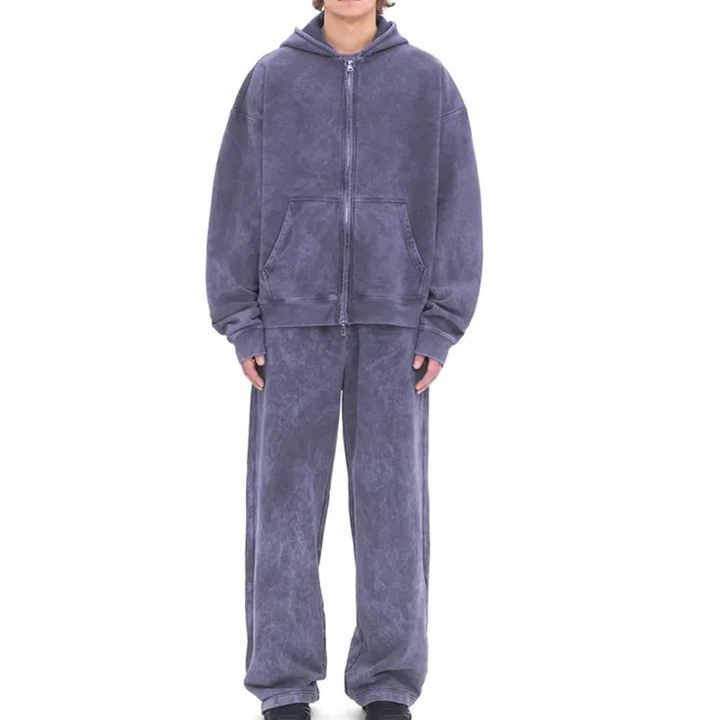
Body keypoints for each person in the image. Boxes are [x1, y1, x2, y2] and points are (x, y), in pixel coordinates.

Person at [205, 1, 482, 718]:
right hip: (289, 325)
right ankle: (284, 683)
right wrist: (242, 320)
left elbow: (458, 205)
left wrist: (440, 324)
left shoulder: (427, 82)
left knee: (394, 511)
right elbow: (234, 202)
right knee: (283, 510)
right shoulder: (271, 79)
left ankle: (388, 681)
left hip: (396, 326)